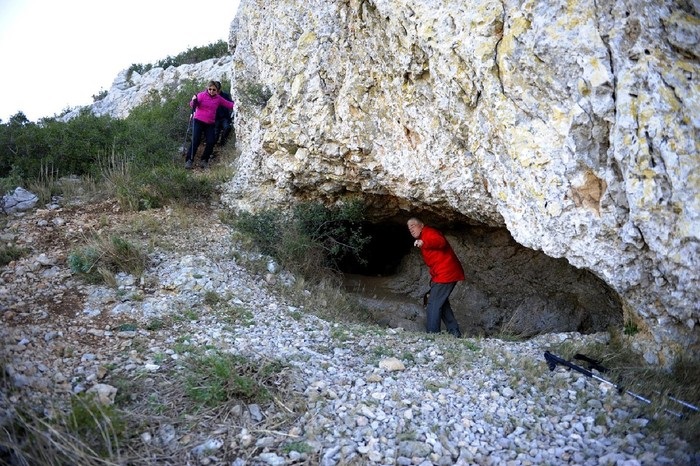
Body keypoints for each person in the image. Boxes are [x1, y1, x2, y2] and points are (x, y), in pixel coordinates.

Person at [407, 217, 464, 337]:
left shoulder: (429, 232)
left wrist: (424, 243)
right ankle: (454, 332)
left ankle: (432, 335)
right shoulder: (423, 237)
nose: (411, 229)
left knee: (433, 303)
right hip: (442, 274)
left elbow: (440, 242)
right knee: (441, 303)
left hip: (446, 273)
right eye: (409, 227)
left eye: (413, 225)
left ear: (421, 225)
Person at [185, 80, 235, 169]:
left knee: (211, 141)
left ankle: (204, 160)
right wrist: (194, 100)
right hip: (198, 121)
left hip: (210, 123)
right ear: (207, 88)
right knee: (195, 140)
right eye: (210, 89)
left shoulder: (218, 99)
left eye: (214, 90)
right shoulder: (201, 95)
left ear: (217, 90)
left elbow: (229, 104)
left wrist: (239, 104)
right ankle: (189, 160)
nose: (211, 91)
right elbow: (192, 105)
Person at [213, 81, 234, 148]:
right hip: (215, 118)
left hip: (224, 117)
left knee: (227, 128)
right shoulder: (211, 96)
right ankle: (213, 147)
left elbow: (231, 104)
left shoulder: (225, 95)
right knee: (215, 134)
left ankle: (222, 143)